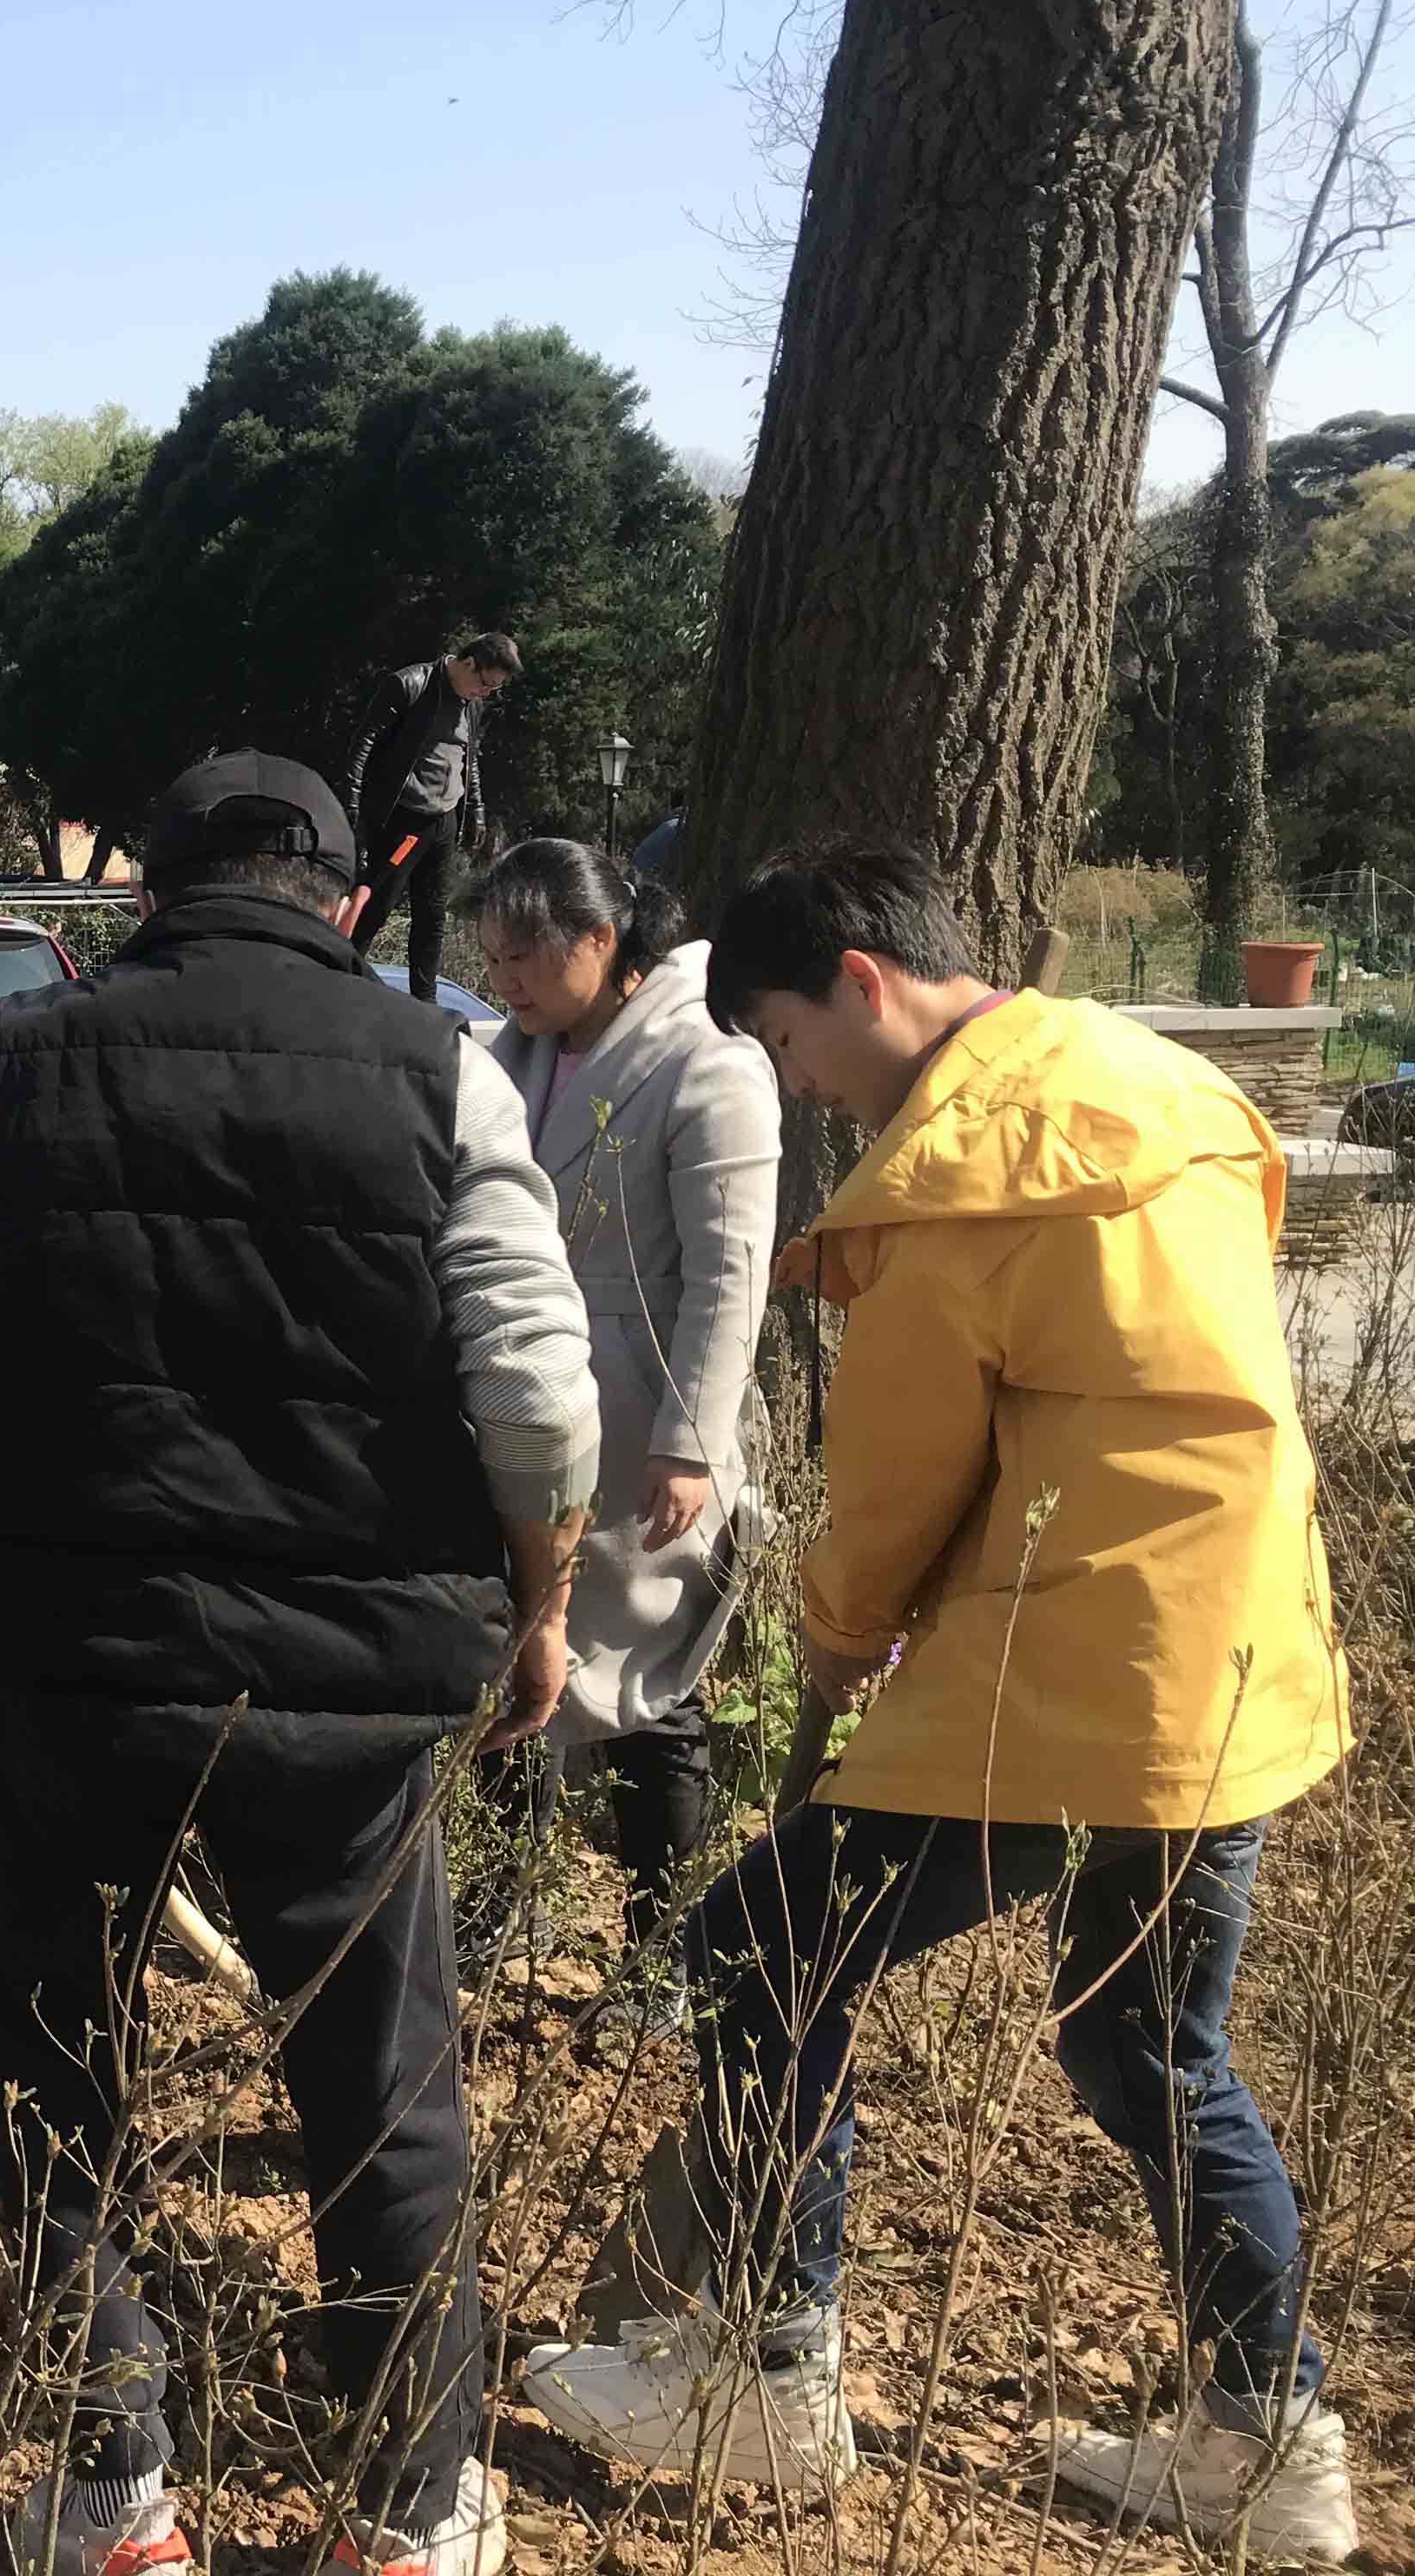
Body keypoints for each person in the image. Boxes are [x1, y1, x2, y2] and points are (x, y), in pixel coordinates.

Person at [0, 751, 598, 2576]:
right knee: (382, 2094)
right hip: (351, 1690)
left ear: (144, 894)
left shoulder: (10, 1061)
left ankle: (111, 2501)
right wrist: (538, 1605)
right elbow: (538, 1395)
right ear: (340, 900)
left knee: (50, 2066)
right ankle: (407, 2517)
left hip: (64, 1673)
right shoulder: (442, 1072)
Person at [522, 849, 1356, 2564]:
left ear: (859, 981)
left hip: (1086, 1665)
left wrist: (834, 1661)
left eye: (786, 1043)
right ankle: (1271, 2452)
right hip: (1243, 1652)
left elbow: (889, 1497)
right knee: (1148, 2041)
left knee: (761, 1947)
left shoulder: (956, 1175)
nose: (800, 1088)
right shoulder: (1158, 1086)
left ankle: (769, 2375)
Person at [464, 840, 780, 2036]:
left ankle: (662, 1955)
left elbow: (730, 1271)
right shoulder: (505, 1057)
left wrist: (694, 1438)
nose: (507, 980)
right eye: (491, 957)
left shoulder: (708, 1060)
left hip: (645, 1418)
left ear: (603, 940)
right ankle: (507, 1902)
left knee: (652, 1695)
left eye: (527, 955)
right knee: (509, 1663)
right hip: (521, 1415)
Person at [342, 632, 519, 1002]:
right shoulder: (410, 685)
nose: (486, 693)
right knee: (377, 904)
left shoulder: (474, 703)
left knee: (433, 914)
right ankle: (341, 981)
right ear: (469, 663)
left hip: (445, 819)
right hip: (404, 817)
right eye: (486, 684)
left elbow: (469, 760)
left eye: (494, 690)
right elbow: (363, 746)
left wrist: (477, 813)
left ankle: (426, 1000)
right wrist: (355, 808)